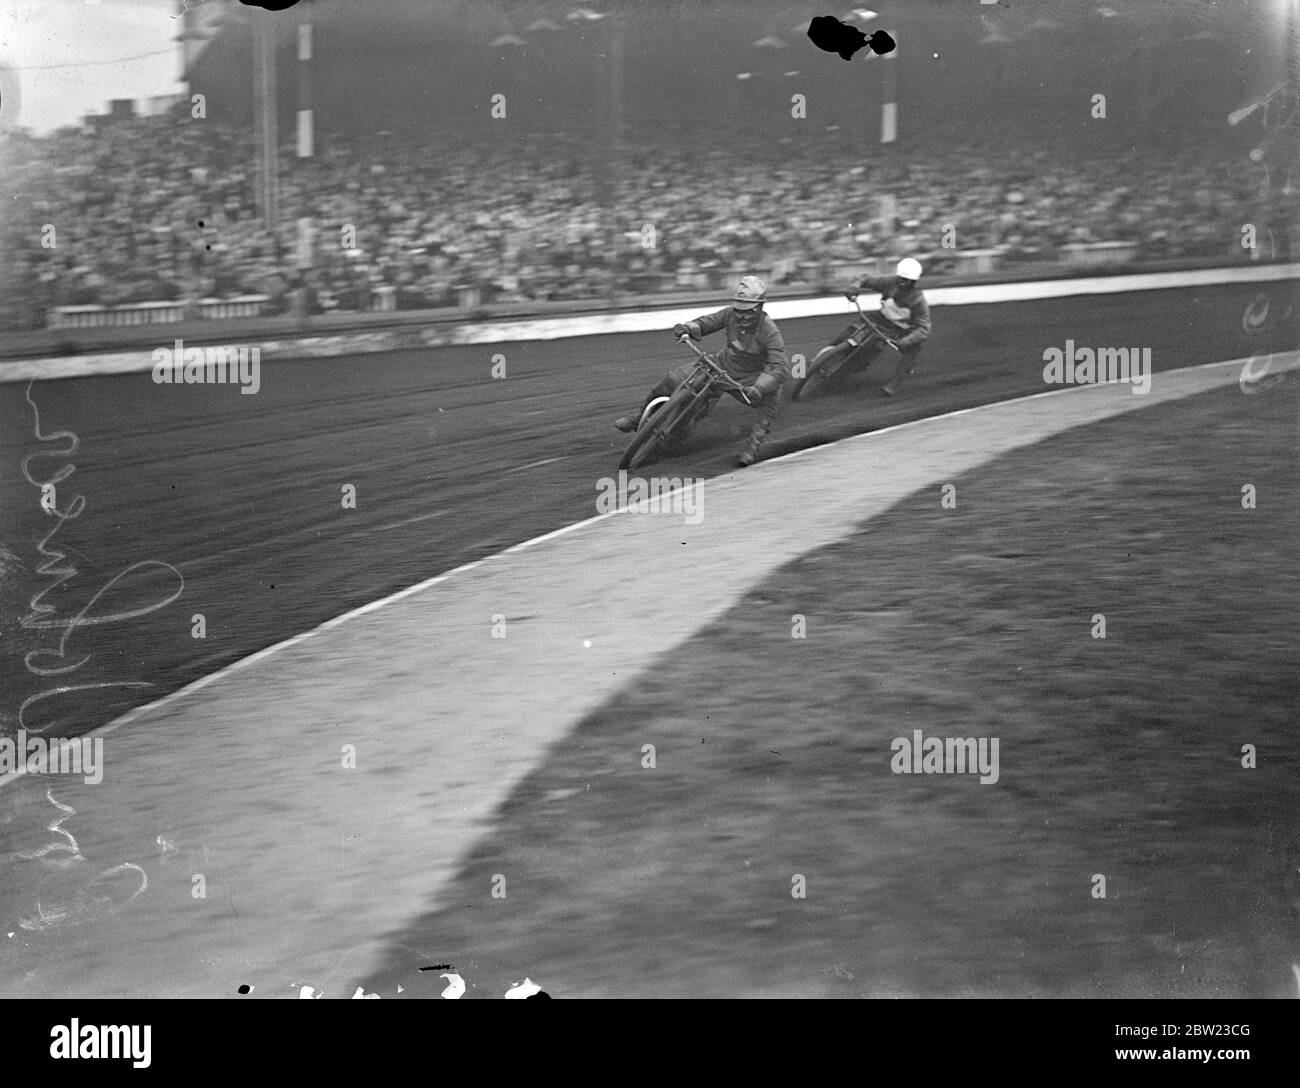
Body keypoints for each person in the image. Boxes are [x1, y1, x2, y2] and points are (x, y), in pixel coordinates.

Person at [613, 275, 790, 467]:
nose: (741, 316)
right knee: (674, 378)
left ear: (760, 308)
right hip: (723, 364)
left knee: (766, 413)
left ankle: (751, 449)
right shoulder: (730, 313)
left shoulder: (769, 331)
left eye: (748, 311)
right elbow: (709, 322)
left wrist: (760, 387)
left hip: (751, 380)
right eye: (739, 310)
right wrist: (688, 327)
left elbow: (779, 366)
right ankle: (638, 418)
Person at [812, 257, 931, 395]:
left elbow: (923, 328)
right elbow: (864, 278)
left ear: (914, 281)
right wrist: (854, 287)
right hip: (882, 318)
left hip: (901, 330)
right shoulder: (890, 281)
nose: (902, 283)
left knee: (913, 349)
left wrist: (904, 341)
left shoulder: (918, 300)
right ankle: (822, 357)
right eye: (901, 278)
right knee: (853, 329)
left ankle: (893, 385)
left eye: (907, 281)